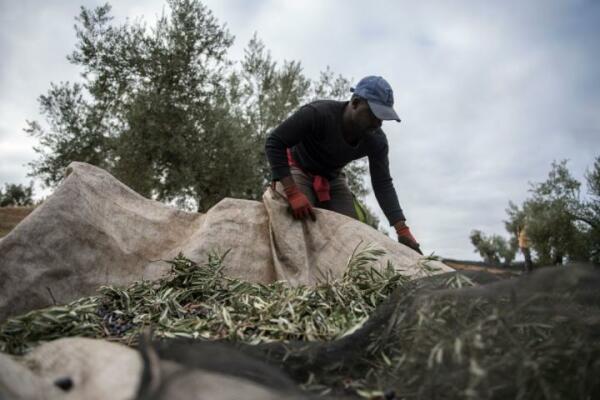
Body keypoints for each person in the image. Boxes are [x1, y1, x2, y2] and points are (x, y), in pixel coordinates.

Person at [265, 75, 422, 254]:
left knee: (351, 235)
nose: (378, 123)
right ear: (355, 102)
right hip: (298, 169)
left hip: (332, 178)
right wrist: (292, 192)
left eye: (383, 118)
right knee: (298, 226)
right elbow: (274, 142)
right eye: (374, 115)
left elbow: (382, 183)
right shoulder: (318, 113)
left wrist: (402, 229)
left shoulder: (376, 140)